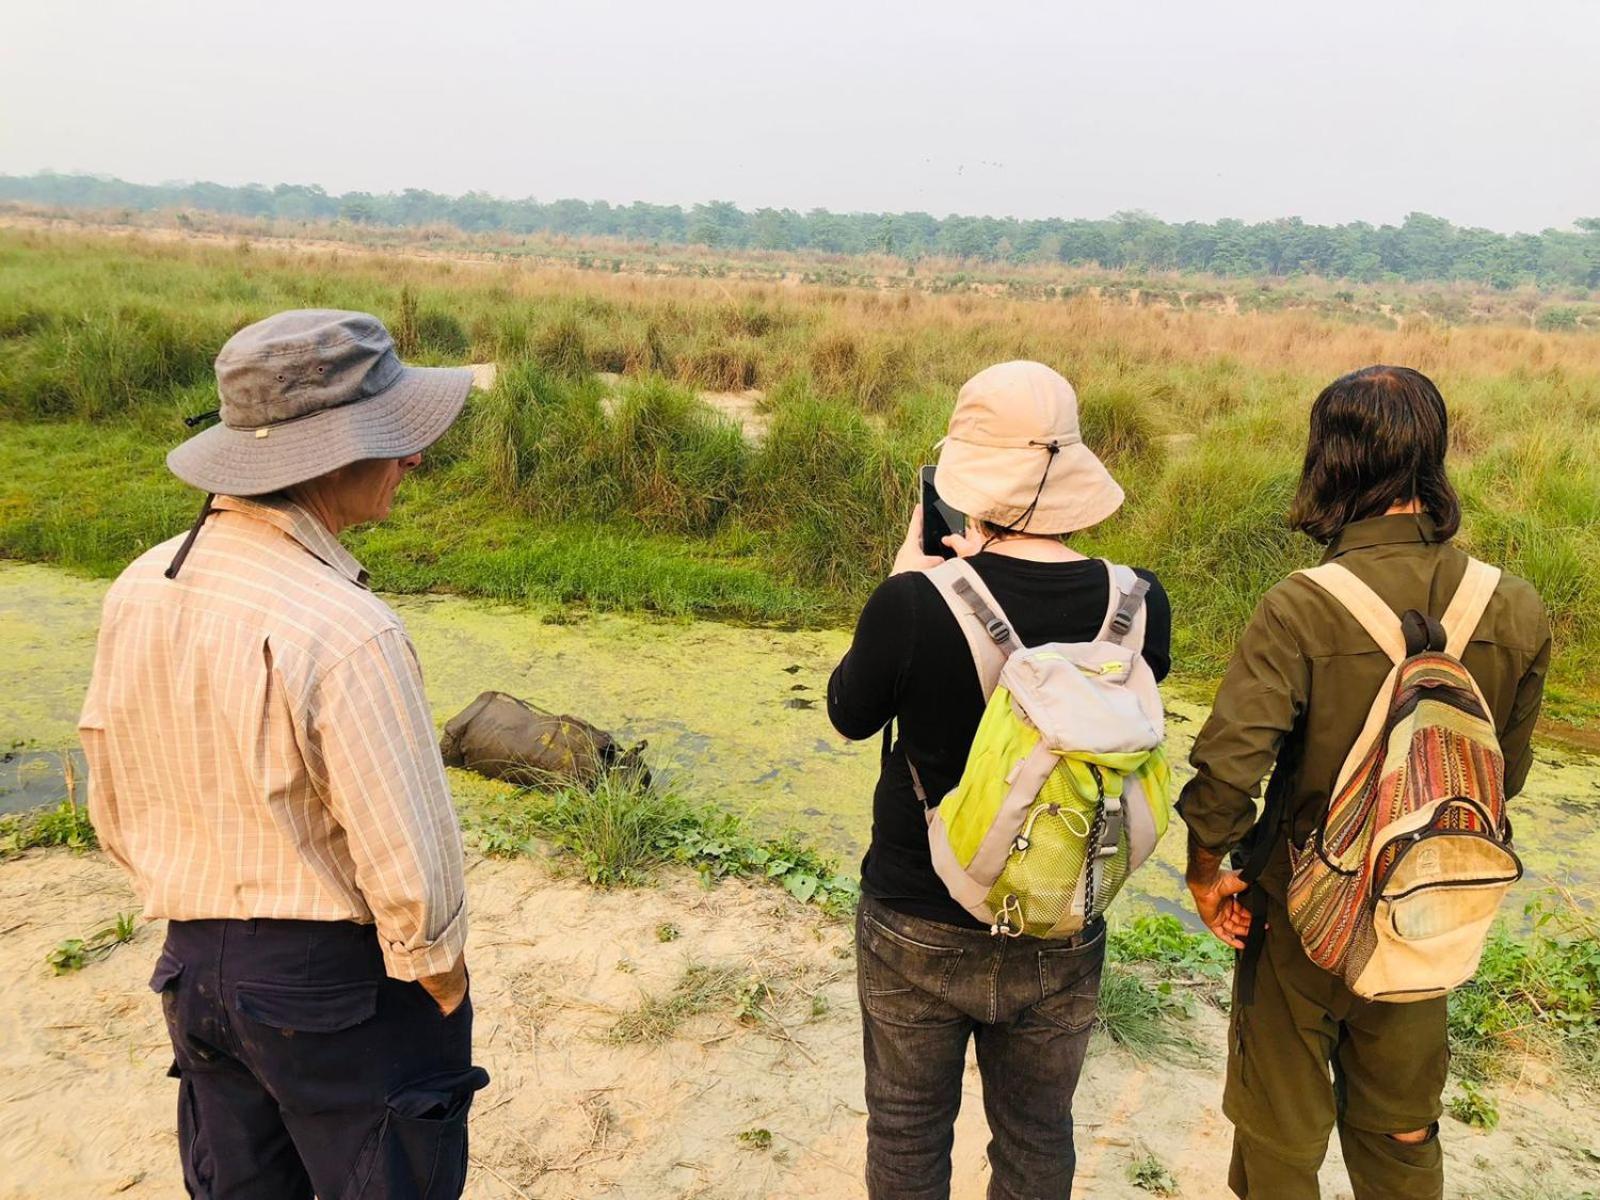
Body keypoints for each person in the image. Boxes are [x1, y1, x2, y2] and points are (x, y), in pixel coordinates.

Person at [79, 309, 489, 1199]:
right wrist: (440, 976)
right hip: (336, 985)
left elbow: (109, 793)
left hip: (192, 968)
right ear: (327, 457)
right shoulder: (347, 629)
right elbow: (410, 860)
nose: (412, 460)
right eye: (395, 440)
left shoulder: (142, 584)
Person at [1178, 366, 1551, 1200]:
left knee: (1280, 1136)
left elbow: (1228, 772)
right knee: (1404, 1128)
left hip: (1301, 911)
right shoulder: (1514, 606)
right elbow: (1506, 778)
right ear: (1434, 459)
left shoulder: (1301, 606)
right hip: (1432, 908)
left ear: (1329, 462)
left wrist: (1208, 874)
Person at [828, 361, 1172, 1200]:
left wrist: (907, 577)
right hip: (1059, 919)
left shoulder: (915, 602)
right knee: (1037, 1137)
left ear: (966, 473)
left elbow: (849, 711)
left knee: (908, 1129)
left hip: (918, 913)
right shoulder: (1138, 604)